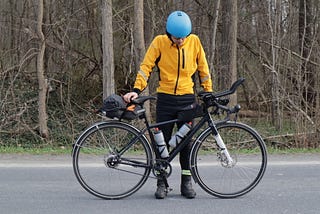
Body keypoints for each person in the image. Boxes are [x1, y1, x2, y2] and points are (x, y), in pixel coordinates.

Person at [123, 10, 213, 199]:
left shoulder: (195, 42)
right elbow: (146, 67)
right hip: (165, 99)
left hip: (187, 99)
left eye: (183, 38)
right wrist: (136, 90)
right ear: (168, 33)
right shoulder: (159, 42)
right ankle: (161, 183)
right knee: (161, 142)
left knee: (186, 143)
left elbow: (203, 69)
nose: (180, 41)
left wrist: (208, 91)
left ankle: (186, 182)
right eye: (176, 37)